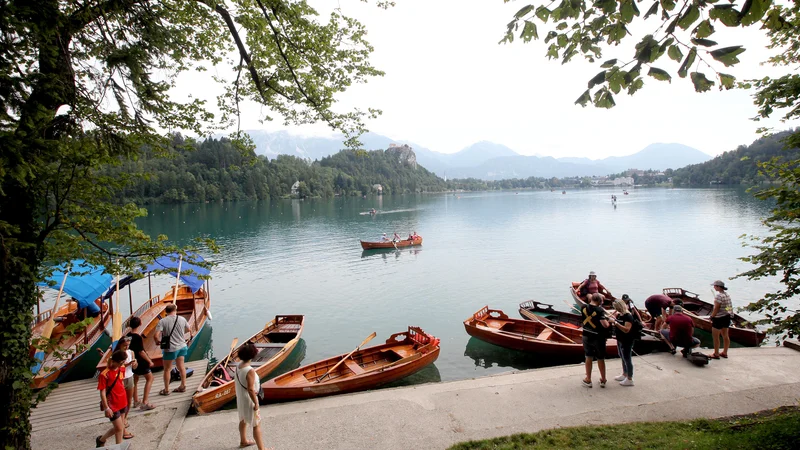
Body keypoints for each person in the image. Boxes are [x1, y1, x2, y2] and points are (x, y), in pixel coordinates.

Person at [235, 342, 266, 450]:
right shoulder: (250, 370)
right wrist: (256, 403)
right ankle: (262, 449)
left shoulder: (238, 366)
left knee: (243, 419)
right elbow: (251, 389)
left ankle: (243, 441)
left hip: (241, 399)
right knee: (256, 424)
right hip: (249, 400)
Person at [155, 303, 191, 395]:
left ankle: (166, 390)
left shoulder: (162, 321)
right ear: (175, 310)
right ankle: (183, 386)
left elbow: (156, 335)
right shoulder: (182, 319)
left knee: (167, 369)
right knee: (181, 367)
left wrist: (157, 341)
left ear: (166, 312)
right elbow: (189, 329)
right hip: (182, 346)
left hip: (170, 348)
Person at [96, 350, 129, 447]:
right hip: (112, 404)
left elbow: (121, 381)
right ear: (114, 361)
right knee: (119, 427)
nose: (122, 364)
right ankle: (117, 446)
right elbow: (102, 392)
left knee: (120, 427)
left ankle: (102, 440)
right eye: (121, 362)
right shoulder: (104, 374)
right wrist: (106, 408)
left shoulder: (121, 368)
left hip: (122, 400)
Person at [580, 293, 611, 388]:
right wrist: (609, 321)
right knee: (600, 358)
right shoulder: (600, 310)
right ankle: (603, 379)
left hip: (586, 335)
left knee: (588, 356)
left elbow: (590, 298)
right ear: (599, 301)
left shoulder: (583, 307)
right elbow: (605, 325)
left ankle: (588, 379)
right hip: (598, 337)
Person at [128, 316, 155, 411]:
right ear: (140, 324)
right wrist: (149, 361)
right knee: (150, 378)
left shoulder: (127, 336)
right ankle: (145, 401)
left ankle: (135, 401)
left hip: (132, 361)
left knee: (135, 379)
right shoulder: (137, 337)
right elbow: (141, 351)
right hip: (140, 361)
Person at [609, 299, 636, 387]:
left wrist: (615, 323)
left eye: (616, 308)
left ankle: (629, 378)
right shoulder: (620, 315)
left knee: (627, 358)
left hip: (627, 340)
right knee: (622, 356)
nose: (616, 310)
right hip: (620, 339)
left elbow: (626, 329)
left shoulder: (628, 316)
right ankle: (624, 373)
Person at [116, 336, 137, 437]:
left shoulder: (131, 352)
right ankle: (123, 429)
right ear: (120, 345)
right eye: (125, 345)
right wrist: (128, 364)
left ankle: (124, 419)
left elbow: (134, 366)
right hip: (121, 379)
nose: (127, 347)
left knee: (129, 401)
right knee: (122, 403)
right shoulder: (117, 355)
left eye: (128, 345)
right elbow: (117, 367)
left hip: (130, 376)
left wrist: (134, 364)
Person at [710, 280, 733, 359]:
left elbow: (717, 307)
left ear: (719, 287)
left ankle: (716, 353)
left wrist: (712, 316)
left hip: (718, 318)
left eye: (715, 286)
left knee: (715, 337)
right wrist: (730, 314)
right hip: (727, 316)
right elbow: (729, 307)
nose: (714, 287)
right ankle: (725, 352)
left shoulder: (719, 296)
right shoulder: (727, 295)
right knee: (725, 336)